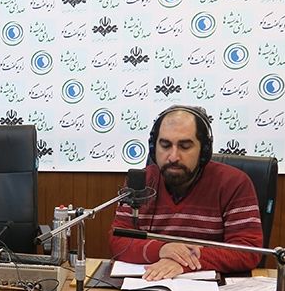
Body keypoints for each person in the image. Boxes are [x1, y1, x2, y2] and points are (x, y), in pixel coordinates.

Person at [109, 106, 263, 280]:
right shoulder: (141, 182)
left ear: (204, 150)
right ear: (153, 147)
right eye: (165, 145)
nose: (173, 157)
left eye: (185, 146)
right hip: (149, 285)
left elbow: (248, 250)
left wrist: (185, 262)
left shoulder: (234, 183)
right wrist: (162, 249)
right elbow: (118, 240)